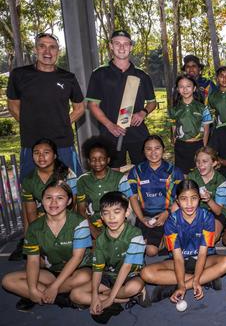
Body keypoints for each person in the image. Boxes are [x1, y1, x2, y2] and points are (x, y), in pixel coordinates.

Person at [2, 181, 92, 311]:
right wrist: (32, 288)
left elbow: (77, 258)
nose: (53, 203)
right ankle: (65, 299)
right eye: (48, 198)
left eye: (60, 198)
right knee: (8, 281)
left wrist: (54, 287)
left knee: (84, 277)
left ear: (69, 201)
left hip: (77, 271)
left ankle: (45, 293)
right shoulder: (34, 227)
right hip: (52, 271)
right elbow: (33, 261)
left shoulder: (79, 222)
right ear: (42, 200)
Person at [140, 179, 226, 303]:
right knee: (146, 273)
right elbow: (178, 259)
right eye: (184, 199)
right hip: (179, 261)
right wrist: (181, 284)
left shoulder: (207, 217)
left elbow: (202, 253)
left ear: (199, 199)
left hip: (204, 259)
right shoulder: (171, 222)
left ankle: (187, 283)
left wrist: (185, 286)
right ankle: (206, 279)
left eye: (194, 198)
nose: (189, 204)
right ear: (177, 201)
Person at [7, 32, 84, 177]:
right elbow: (12, 104)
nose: (47, 51)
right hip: (31, 143)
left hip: (63, 143)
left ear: (58, 51)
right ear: (36, 49)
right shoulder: (19, 75)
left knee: (72, 186)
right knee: (31, 189)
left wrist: (63, 123)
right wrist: (28, 123)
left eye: (52, 47)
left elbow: (79, 107)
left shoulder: (68, 78)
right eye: (42, 46)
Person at [69, 192, 148, 323]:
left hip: (130, 274)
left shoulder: (135, 234)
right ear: (101, 216)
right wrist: (94, 296)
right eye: (106, 213)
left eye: (117, 211)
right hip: (109, 276)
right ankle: (124, 298)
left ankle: (115, 296)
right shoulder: (100, 240)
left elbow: (126, 267)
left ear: (127, 212)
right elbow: (97, 270)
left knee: (133, 287)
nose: (111, 217)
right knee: (75, 295)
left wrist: (109, 299)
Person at [86, 30, 157, 168]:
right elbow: (93, 105)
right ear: (111, 46)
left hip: (137, 133)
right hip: (110, 134)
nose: (122, 47)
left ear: (131, 47)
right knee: (114, 174)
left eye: (126, 44)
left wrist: (143, 112)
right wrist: (109, 125)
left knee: (143, 172)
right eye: (117, 43)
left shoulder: (142, 75)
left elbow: (152, 103)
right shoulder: (99, 74)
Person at [127, 135, 184, 257]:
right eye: (148, 149)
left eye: (157, 148)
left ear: (163, 149)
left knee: (151, 251)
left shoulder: (174, 171)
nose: (153, 152)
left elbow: (181, 199)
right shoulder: (136, 171)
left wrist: (166, 214)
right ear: (143, 151)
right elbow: (133, 198)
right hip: (144, 215)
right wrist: (142, 218)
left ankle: (169, 239)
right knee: (136, 249)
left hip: (168, 214)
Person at [76, 137, 132, 239]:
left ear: (108, 160)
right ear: (88, 161)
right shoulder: (82, 181)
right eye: (93, 159)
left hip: (117, 222)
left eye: (102, 158)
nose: (97, 162)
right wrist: (94, 232)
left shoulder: (119, 178)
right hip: (92, 225)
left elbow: (128, 207)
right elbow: (81, 211)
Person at [170, 75, 213, 174]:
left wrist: (204, 147)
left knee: (199, 173)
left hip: (198, 145)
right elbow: (174, 127)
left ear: (194, 88)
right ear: (177, 89)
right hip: (181, 146)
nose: (185, 89)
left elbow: (206, 130)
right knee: (182, 175)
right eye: (181, 86)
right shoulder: (174, 109)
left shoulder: (203, 108)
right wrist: (175, 142)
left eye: (188, 86)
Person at [187, 147, 226, 242]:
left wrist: (209, 200)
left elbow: (218, 211)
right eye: (198, 161)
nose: (200, 165)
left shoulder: (222, 182)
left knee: (211, 238)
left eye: (205, 161)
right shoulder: (192, 177)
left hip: (216, 212)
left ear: (214, 163)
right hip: (196, 210)